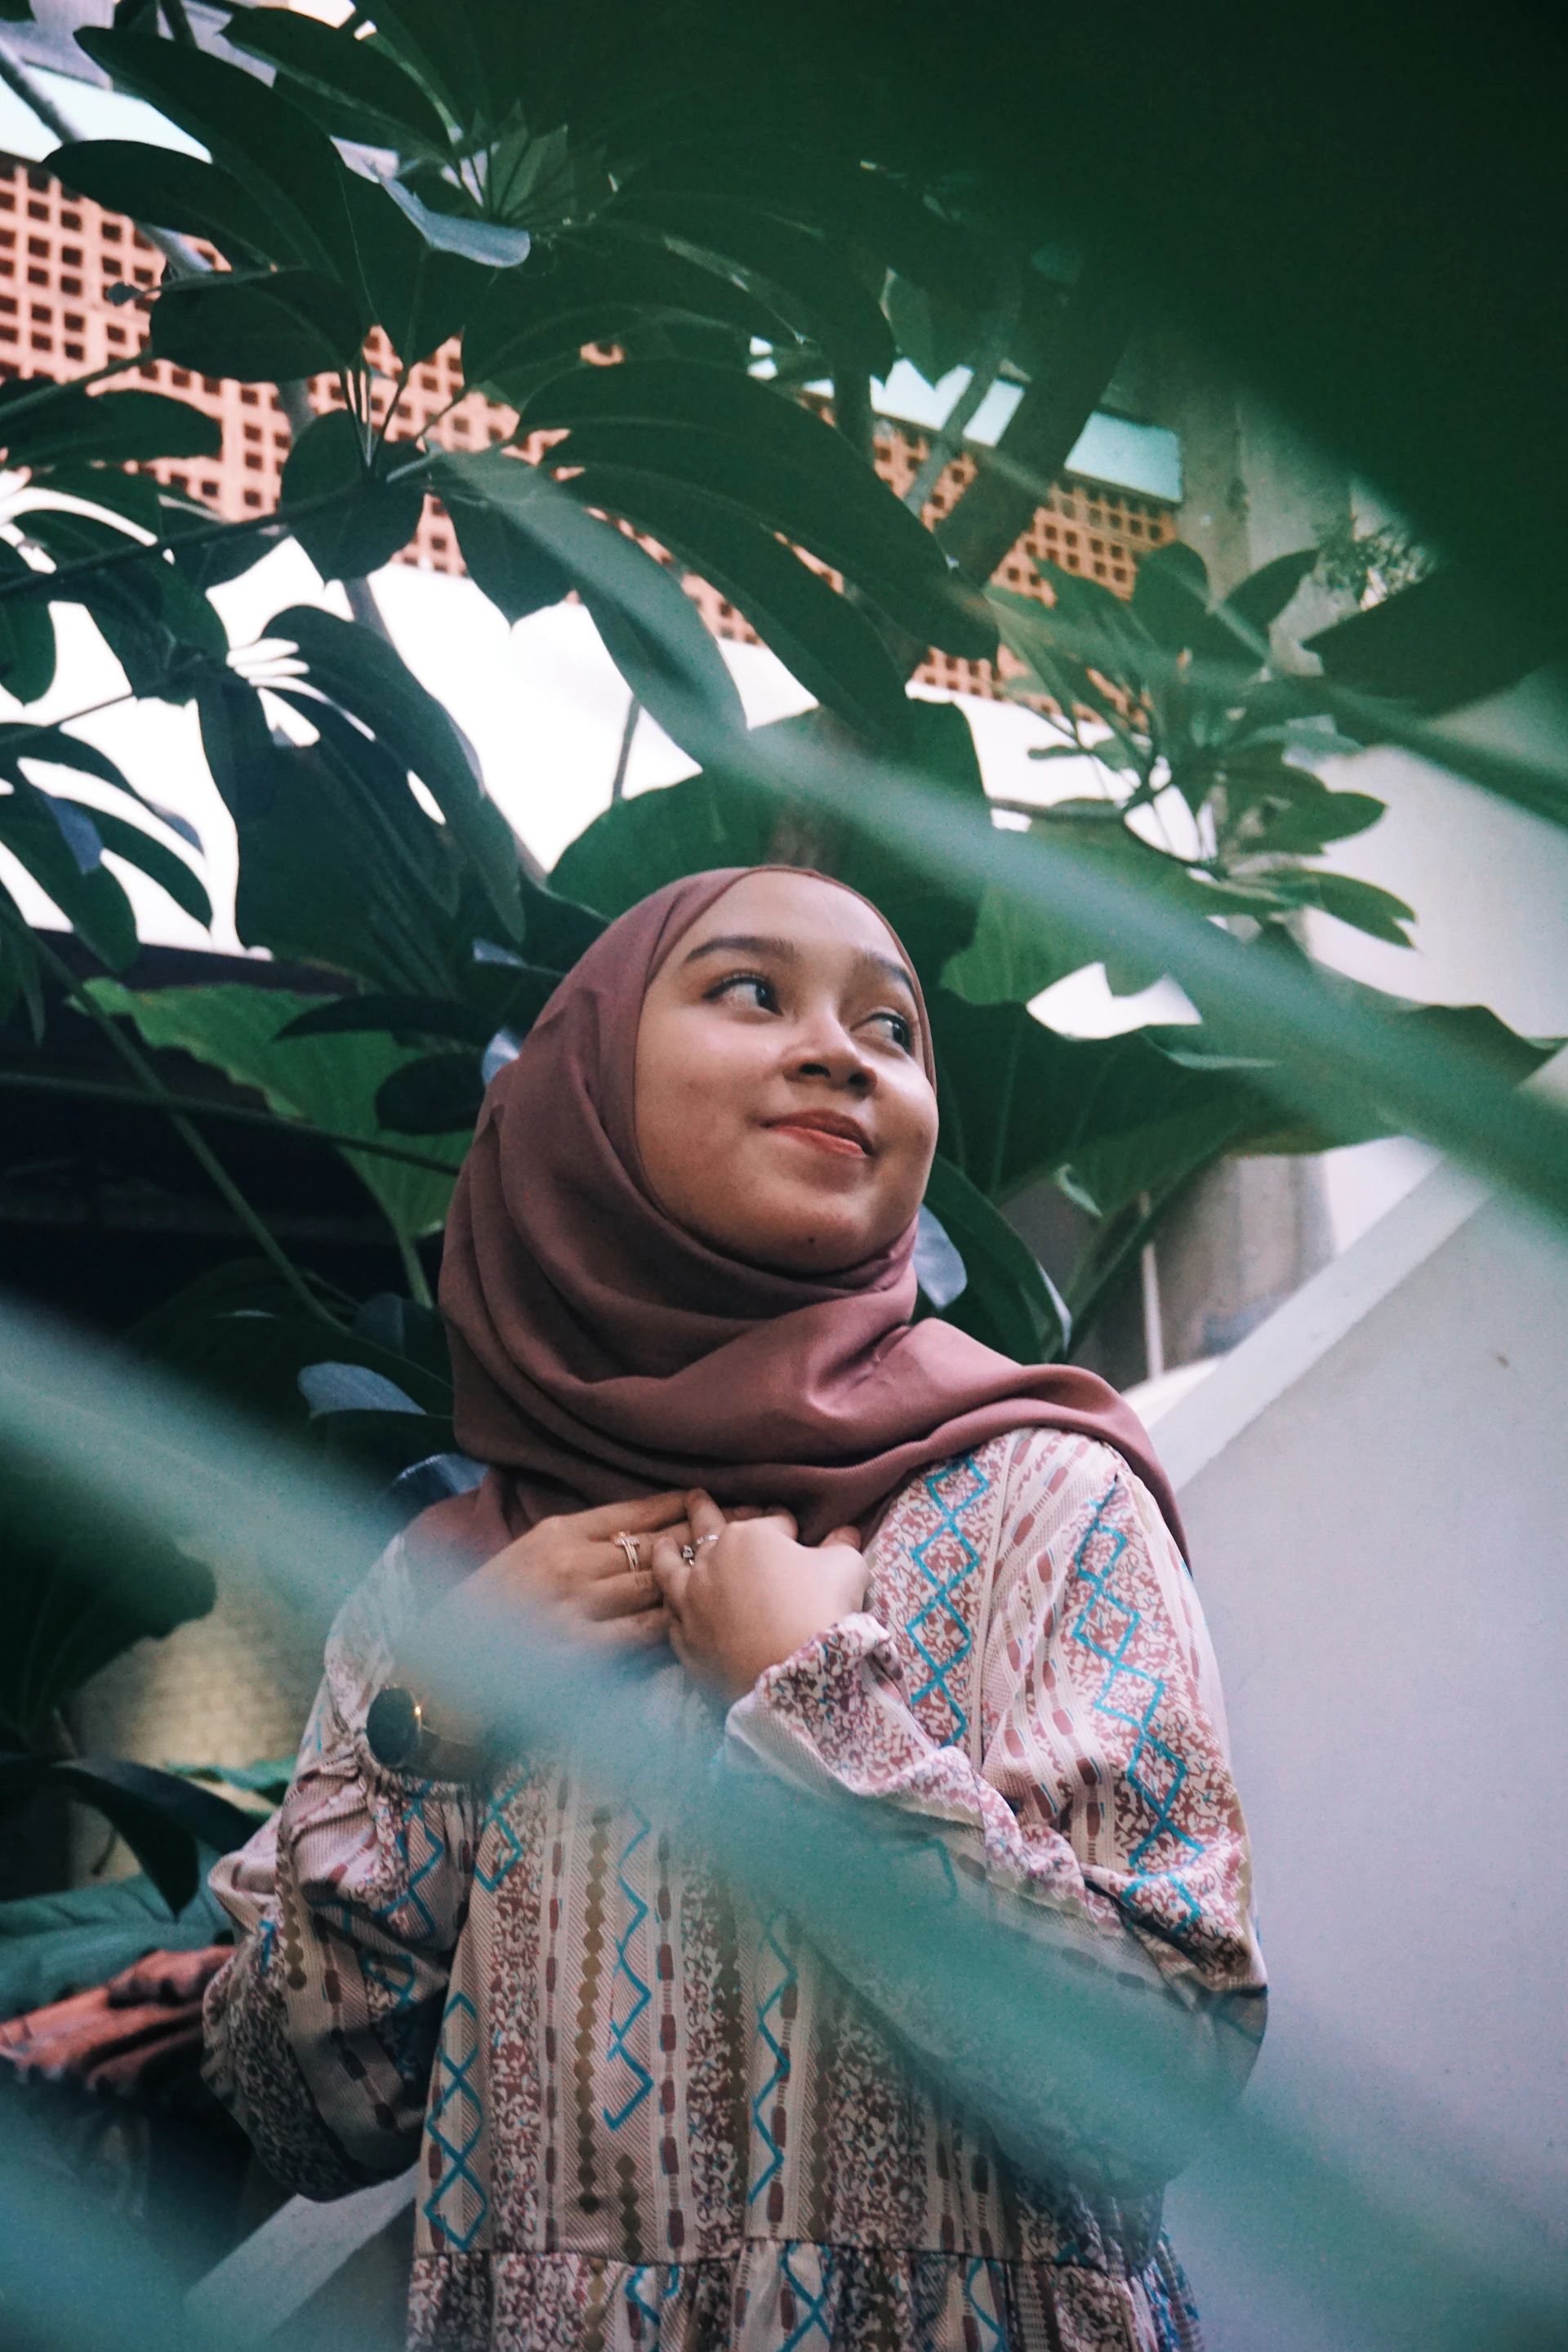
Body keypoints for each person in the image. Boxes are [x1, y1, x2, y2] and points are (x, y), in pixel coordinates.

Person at [203, 866, 1265, 2352]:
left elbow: (1160, 2085)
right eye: (749, 990)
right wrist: (442, 1716)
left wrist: (823, 1703)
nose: (845, 1051)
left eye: (892, 1028)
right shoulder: (446, 1587)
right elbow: (306, 2119)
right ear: (585, 1092)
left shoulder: (1049, 1499)